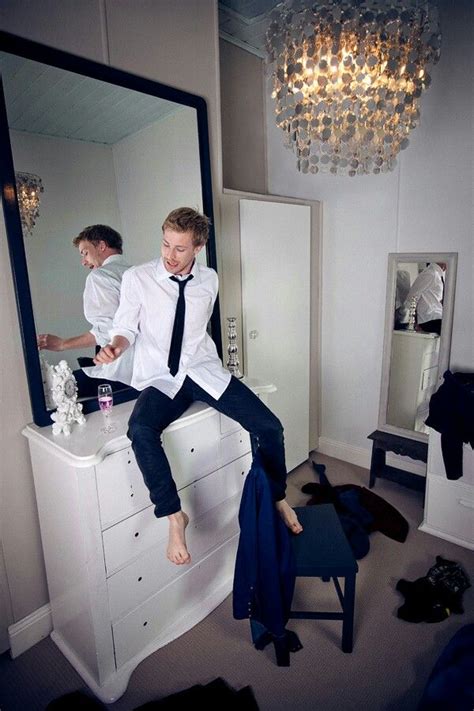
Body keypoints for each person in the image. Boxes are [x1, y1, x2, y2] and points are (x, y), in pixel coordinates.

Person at [94, 207, 303, 565]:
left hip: (204, 370)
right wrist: (116, 345)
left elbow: (195, 330)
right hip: (162, 376)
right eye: (165, 245)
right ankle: (174, 515)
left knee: (270, 427)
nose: (170, 256)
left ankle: (277, 495)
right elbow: (127, 327)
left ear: (198, 248)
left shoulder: (210, 280)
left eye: (179, 249)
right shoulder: (138, 278)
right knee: (140, 429)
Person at [37, 224, 134, 396]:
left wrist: (62, 344)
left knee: (58, 391)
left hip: (120, 372)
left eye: (85, 253)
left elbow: (106, 331)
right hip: (147, 370)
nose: (84, 262)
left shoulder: (99, 277)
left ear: (102, 246)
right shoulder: (136, 274)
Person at [403, 262, 446, 335]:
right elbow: (412, 297)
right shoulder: (430, 273)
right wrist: (413, 321)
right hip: (430, 319)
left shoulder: (438, 274)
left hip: (437, 316)